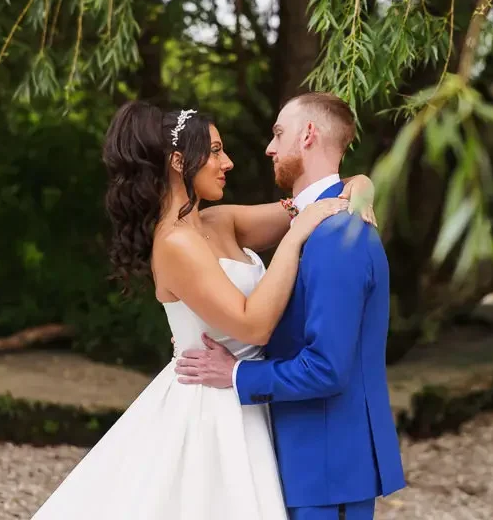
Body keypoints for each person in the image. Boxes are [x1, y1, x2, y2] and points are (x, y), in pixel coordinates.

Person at [31, 100, 377, 520]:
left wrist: (360, 182)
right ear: (178, 161)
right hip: (213, 410)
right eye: (215, 151)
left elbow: (311, 204)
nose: (227, 162)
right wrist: (294, 239)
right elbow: (253, 326)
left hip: (252, 396)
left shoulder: (217, 221)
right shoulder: (176, 243)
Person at [174, 92, 406, 520]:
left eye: (279, 133)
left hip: (328, 467)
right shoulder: (312, 219)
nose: (269, 147)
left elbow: (327, 368)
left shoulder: (338, 234)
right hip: (300, 460)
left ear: (309, 136)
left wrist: (236, 373)